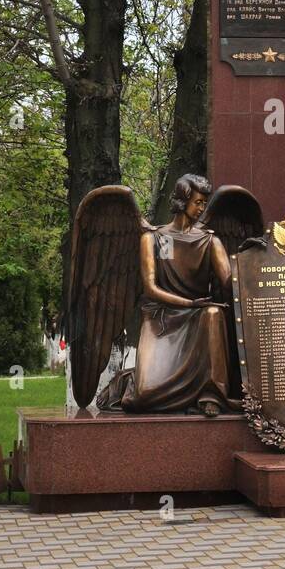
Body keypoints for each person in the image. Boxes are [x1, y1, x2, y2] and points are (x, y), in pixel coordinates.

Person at [97, 174, 239, 416]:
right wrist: (189, 302)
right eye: (198, 202)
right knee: (144, 396)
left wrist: (257, 263)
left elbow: (229, 282)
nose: (202, 208)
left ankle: (211, 394)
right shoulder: (154, 238)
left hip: (198, 316)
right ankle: (130, 380)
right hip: (162, 318)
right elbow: (151, 289)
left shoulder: (209, 241)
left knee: (213, 313)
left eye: (205, 202)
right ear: (183, 201)